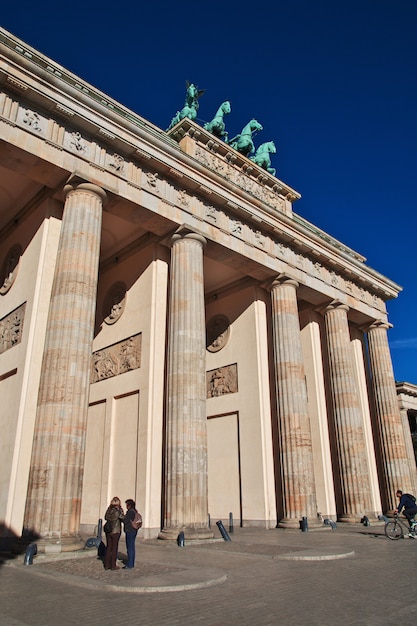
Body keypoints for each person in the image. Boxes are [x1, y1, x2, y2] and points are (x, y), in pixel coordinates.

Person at [104, 496, 125, 570]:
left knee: (109, 547)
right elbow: (123, 518)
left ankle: (107, 564)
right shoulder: (118, 510)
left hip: (108, 530)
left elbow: (105, 517)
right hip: (116, 530)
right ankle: (113, 565)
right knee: (114, 548)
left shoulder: (109, 510)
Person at [123, 499, 139, 569]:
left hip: (129, 530)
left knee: (129, 547)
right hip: (134, 530)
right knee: (132, 546)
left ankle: (130, 564)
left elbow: (126, 521)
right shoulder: (135, 511)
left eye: (127, 505)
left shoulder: (130, 512)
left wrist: (122, 517)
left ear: (129, 505)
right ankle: (131, 562)